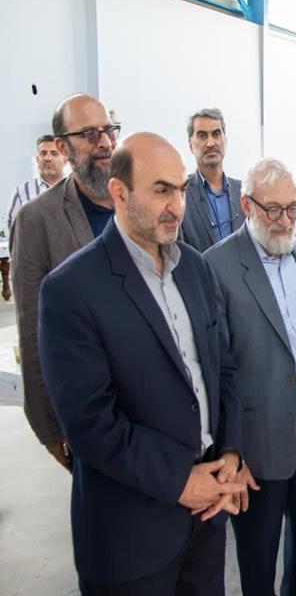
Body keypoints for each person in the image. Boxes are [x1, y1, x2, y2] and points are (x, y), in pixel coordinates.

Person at [38, 132, 245, 594]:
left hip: (207, 518)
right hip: (131, 536)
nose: (177, 206)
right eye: (161, 190)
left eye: (181, 189)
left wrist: (231, 451)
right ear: (120, 192)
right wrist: (180, 481)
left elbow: (222, 369)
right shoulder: (71, 289)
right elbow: (90, 423)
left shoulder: (195, 269)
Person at [205, 158, 296, 595]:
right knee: (259, 543)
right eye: (274, 210)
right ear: (247, 205)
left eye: (293, 208)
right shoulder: (217, 266)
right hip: (258, 422)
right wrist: (231, 446)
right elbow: (217, 368)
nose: (286, 220)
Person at [11, 94, 117, 471]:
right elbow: (32, 327)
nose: (104, 142)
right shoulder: (36, 220)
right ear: (61, 147)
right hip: (90, 412)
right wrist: (48, 426)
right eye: (89, 134)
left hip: (154, 407)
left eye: (108, 130)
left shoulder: (139, 204)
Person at [182, 108, 244, 252]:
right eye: (202, 136)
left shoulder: (244, 192)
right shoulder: (181, 193)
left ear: (225, 141)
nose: (210, 143)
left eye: (216, 134)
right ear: (190, 145)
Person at [6, 134, 67, 233]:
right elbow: (10, 225)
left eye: (54, 153)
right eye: (43, 153)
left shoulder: (75, 189)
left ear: (65, 160)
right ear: (37, 159)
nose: (48, 158)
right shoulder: (22, 192)